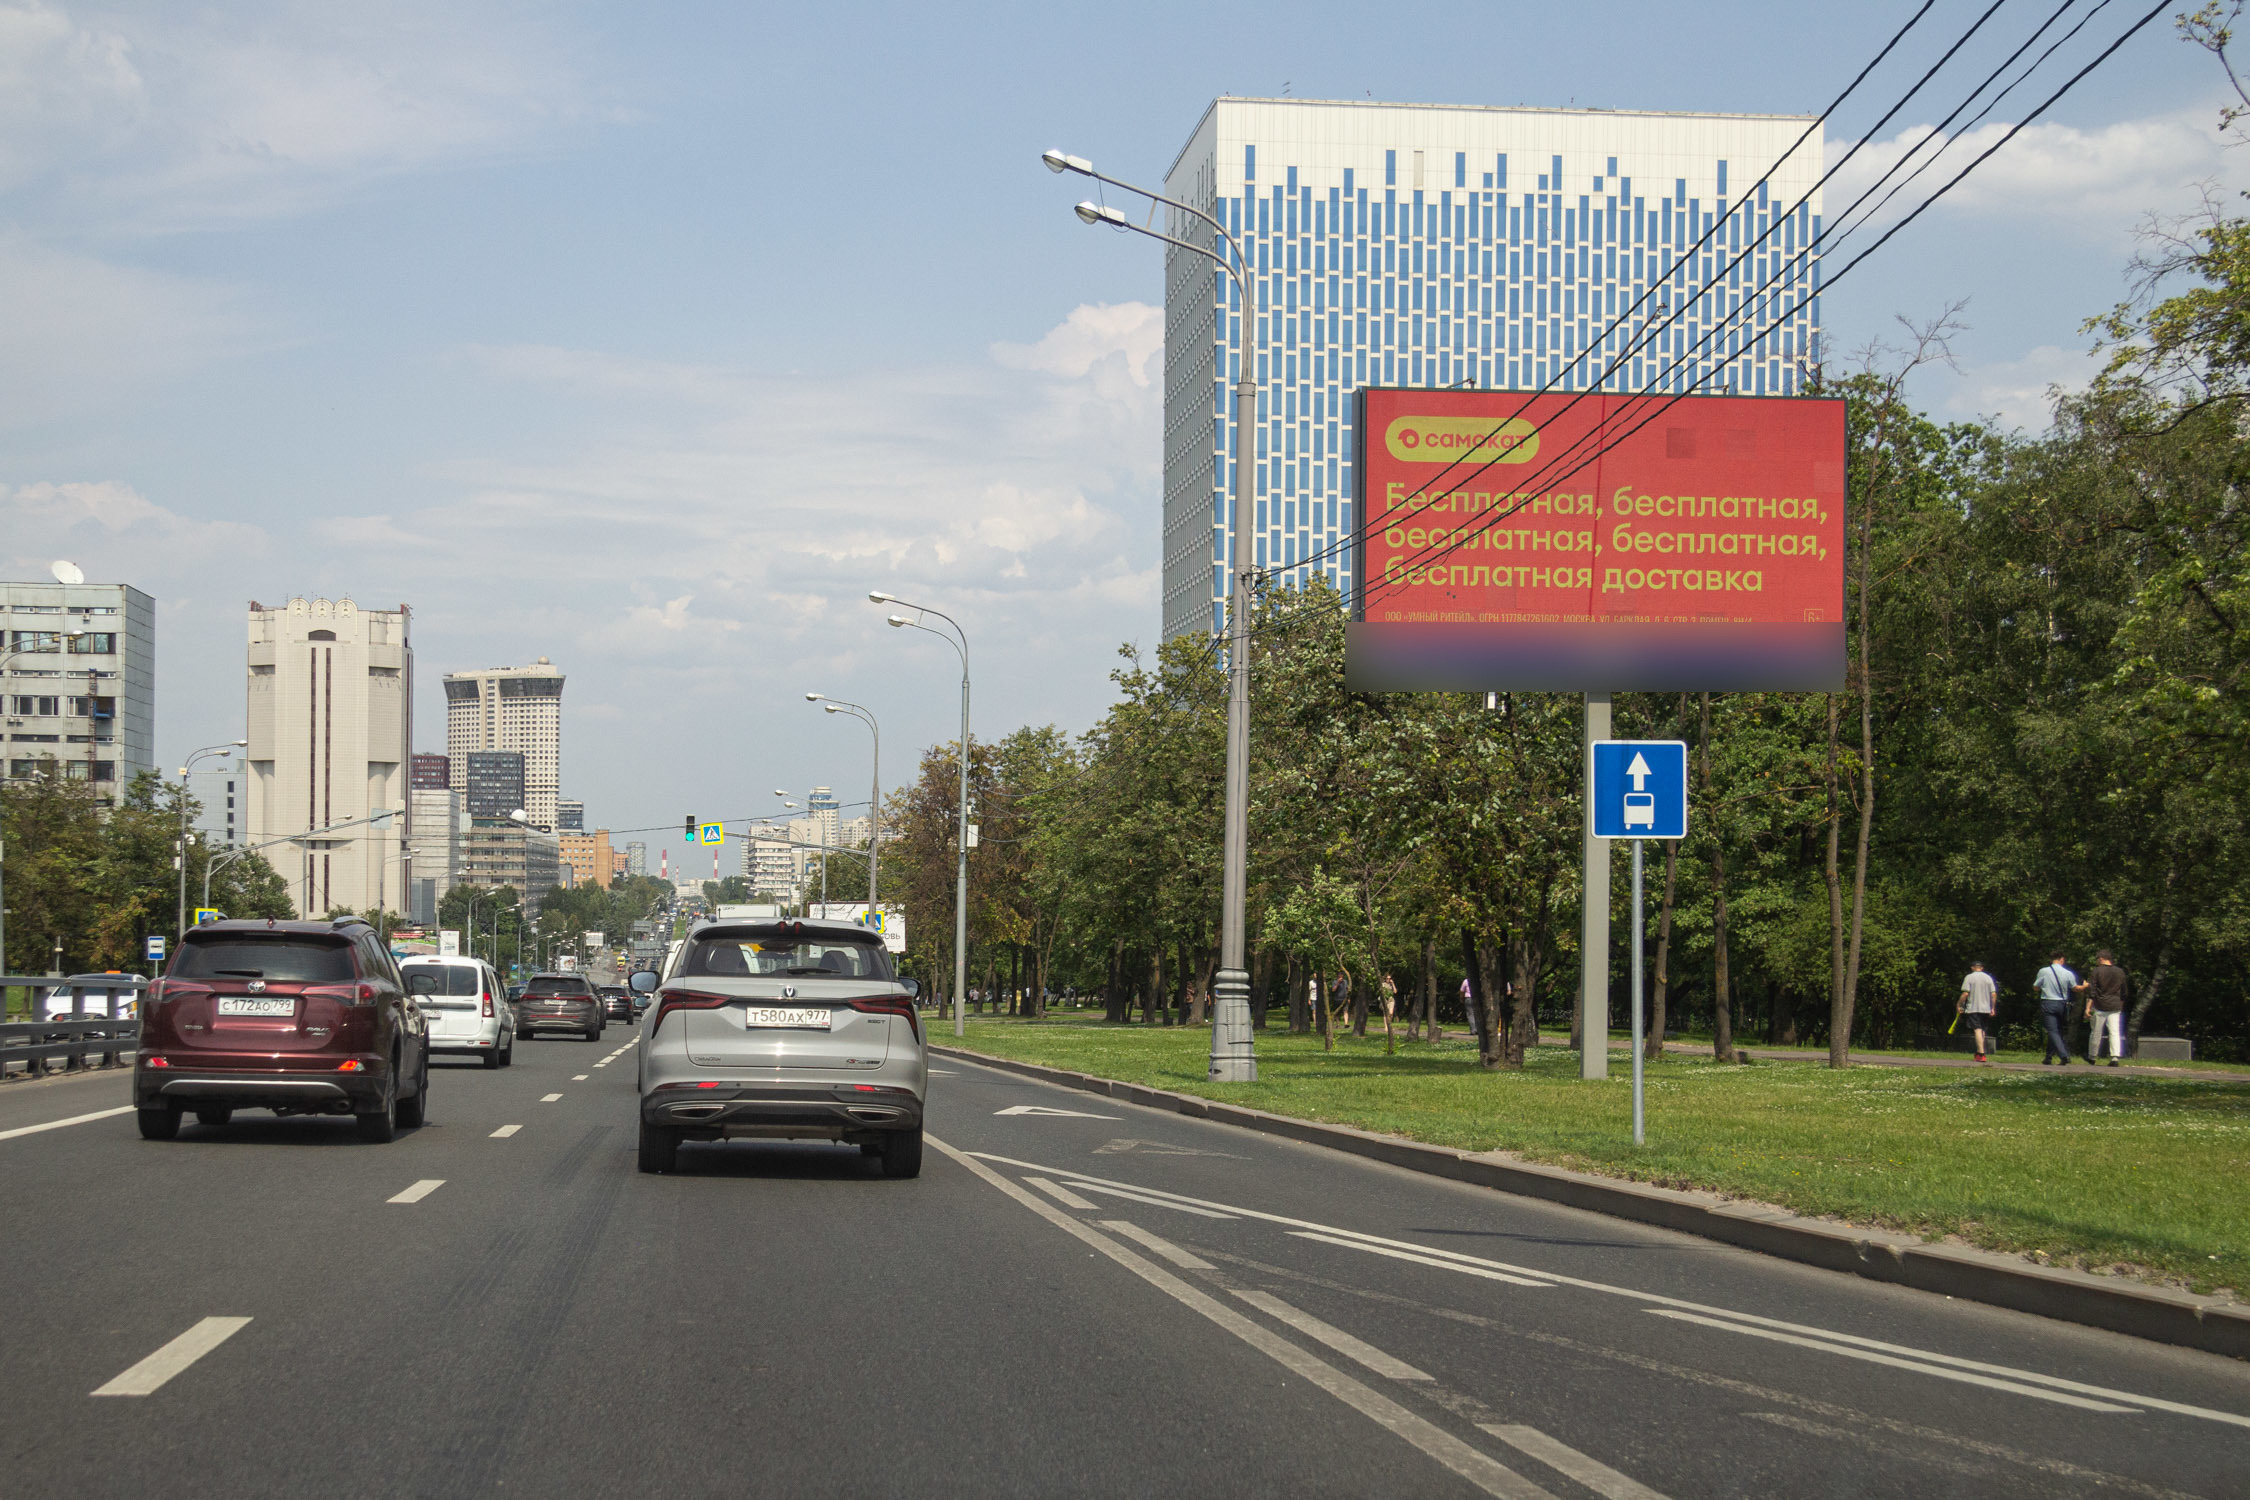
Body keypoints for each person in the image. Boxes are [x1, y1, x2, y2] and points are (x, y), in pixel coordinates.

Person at [2033, 950, 2084, 1064]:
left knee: (2052, 1030)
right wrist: (2085, 986)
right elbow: (2075, 988)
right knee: (2057, 1030)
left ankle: (2064, 1055)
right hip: (2062, 1004)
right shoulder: (2068, 973)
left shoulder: (2044, 971)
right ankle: (2048, 1057)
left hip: (2048, 1002)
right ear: (2062, 959)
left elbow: (2036, 987)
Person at [2083, 949, 2129, 1066]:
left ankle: (2092, 1056)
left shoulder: (2097, 971)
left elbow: (2092, 991)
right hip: (2115, 1005)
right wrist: (2121, 1004)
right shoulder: (2120, 972)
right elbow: (2124, 991)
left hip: (2100, 1005)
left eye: (2097, 959)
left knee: (2096, 1032)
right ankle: (2115, 1057)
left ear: (2101, 958)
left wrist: (2088, 1007)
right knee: (2114, 1031)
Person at [1956, 960, 1998, 1063]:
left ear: (1972, 967)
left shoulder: (1969, 977)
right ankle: (1980, 1051)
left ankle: (1981, 1053)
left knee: (1977, 1029)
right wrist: (1992, 1008)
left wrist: (1959, 1004)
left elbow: (1965, 994)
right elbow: (1993, 995)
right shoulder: (1988, 978)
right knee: (1982, 1030)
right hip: (1986, 1008)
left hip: (1973, 1007)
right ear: (1982, 968)